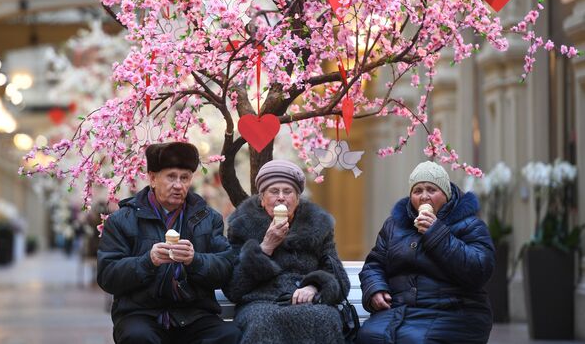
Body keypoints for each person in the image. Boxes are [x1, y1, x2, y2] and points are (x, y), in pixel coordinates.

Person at [97, 142, 240, 344]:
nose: (178, 185)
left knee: (229, 335)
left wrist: (195, 260)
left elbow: (226, 268)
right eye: (171, 177)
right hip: (141, 313)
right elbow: (107, 276)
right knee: (138, 337)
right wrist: (148, 261)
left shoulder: (208, 218)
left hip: (194, 314)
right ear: (153, 178)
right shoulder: (122, 220)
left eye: (185, 178)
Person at [356, 161, 495, 344]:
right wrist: (375, 289)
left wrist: (437, 233)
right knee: (368, 336)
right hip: (400, 310)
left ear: (446, 194)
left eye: (431, 189)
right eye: (418, 191)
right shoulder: (394, 225)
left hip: (455, 312)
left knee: (414, 340)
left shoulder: (470, 225)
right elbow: (375, 263)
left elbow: (479, 270)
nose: (424, 197)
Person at [224, 159, 350, 344]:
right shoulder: (242, 225)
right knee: (261, 322)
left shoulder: (317, 225)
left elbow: (339, 279)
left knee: (325, 318)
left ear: (297, 198)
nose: (281, 197)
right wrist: (266, 247)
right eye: (274, 191)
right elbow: (233, 288)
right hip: (260, 302)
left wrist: (314, 286)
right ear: (262, 198)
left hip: (306, 300)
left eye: (288, 191)